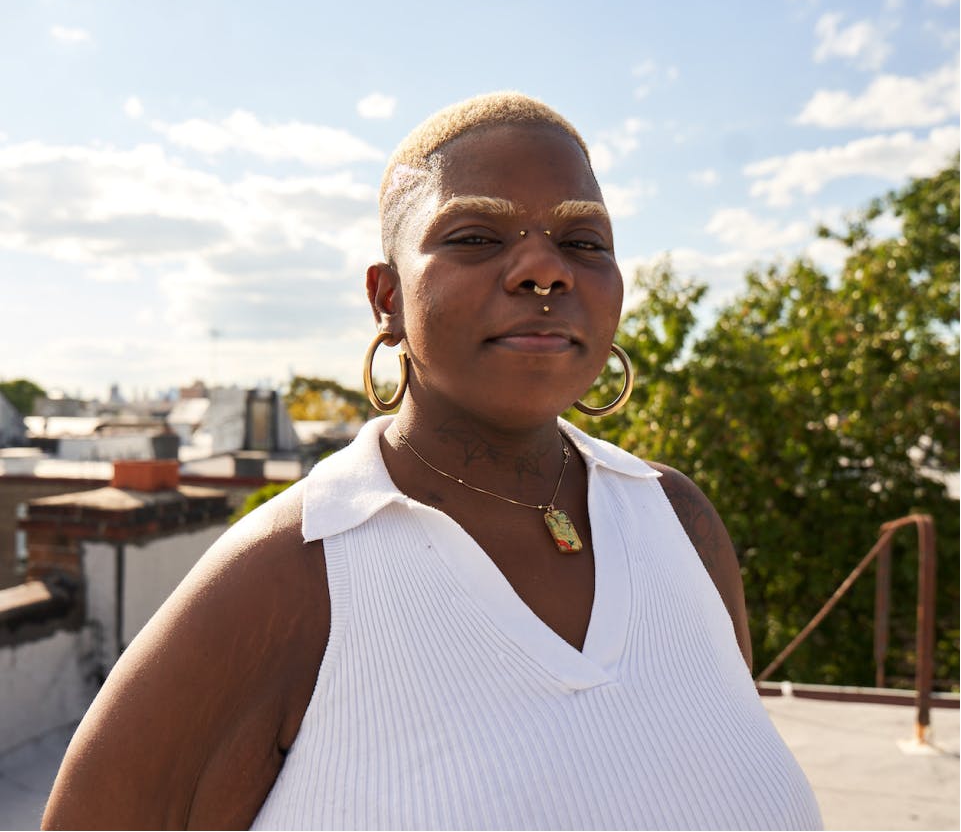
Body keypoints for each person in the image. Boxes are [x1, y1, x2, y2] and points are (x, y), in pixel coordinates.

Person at [42, 92, 822, 830]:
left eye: (583, 242)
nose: (544, 269)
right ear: (387, 298)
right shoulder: (295, 571)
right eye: (477, 237)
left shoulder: (675, 518)